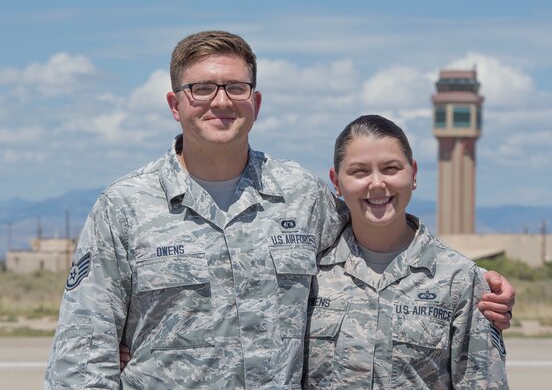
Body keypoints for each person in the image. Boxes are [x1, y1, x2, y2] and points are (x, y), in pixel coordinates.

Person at [46, 31, 513, 389]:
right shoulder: (124, 207)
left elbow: (380, 229)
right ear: (175, 104)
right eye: (202, 89)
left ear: (257, 102)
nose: (221, 101)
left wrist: (472, 281)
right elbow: (83, 354)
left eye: (236, 87)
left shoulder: (302, 196)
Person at [304, 115, 508, 389]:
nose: (376, 183)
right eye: (359, 171)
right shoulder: (307, 273)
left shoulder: (459, 280)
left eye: (390, 168)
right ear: (336, 182)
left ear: (413, 173)